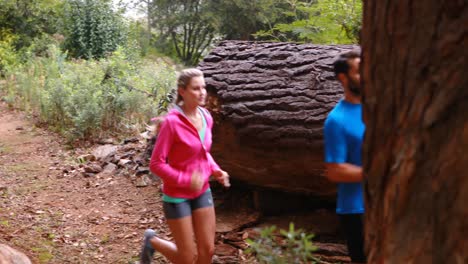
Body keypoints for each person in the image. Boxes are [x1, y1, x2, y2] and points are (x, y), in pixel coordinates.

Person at [140, 68, 230, 264]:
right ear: (182, 91)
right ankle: (152, 241)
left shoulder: (206, 117)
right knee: (187, 258)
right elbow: (156, 164)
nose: (202, 92)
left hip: (202, 191)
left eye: (203, 87)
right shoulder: (172, 123)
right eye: (196, 88)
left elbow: (203, 152)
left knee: (207, 251)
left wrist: (216, 170)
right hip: (177, 197)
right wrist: (186, 180)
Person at [323, 50, 366, 263]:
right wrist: (377, 173)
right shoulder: (336, 120)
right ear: (343, 77)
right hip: (356, 210)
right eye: (359, 71)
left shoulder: (381, 109)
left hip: (390, 203)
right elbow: (335, 170)